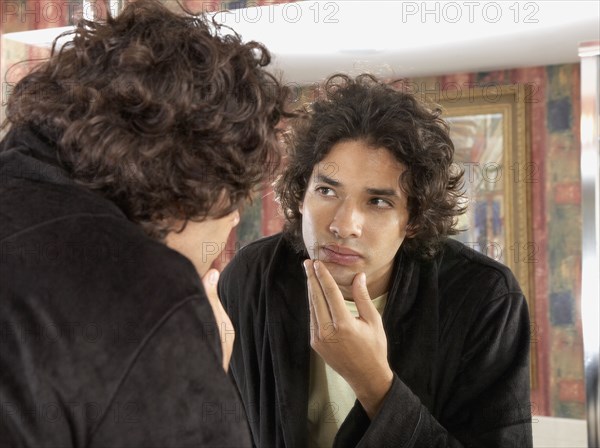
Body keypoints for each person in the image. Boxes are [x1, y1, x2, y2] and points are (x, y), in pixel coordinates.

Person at [0, 0, 288, 445]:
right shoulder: (151, 295)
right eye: (236, 201)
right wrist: (194, 363)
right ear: (203, 182)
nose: (234, 220)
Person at [218, 74, 533, 447]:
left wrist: (375, 385)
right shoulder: (253, 276)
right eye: (326, 190)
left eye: (378, 202)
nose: (343, 225)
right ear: (301, 195)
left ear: (413, 218)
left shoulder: (485, 298)